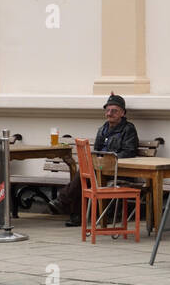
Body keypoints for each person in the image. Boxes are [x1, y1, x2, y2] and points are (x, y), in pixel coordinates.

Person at [55, 93, 140, 226]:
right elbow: (96, 151)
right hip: (100, 168)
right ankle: (74, 212)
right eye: (108, 110)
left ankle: (65, 202)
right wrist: (97, 160)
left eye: (114, 111)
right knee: (85, 174)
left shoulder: (128, 129)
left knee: (87, 173)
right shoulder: (103, 129)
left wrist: (107, 160)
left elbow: (129, 152)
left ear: (122, 113)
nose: (109, 113)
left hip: (117, 170)